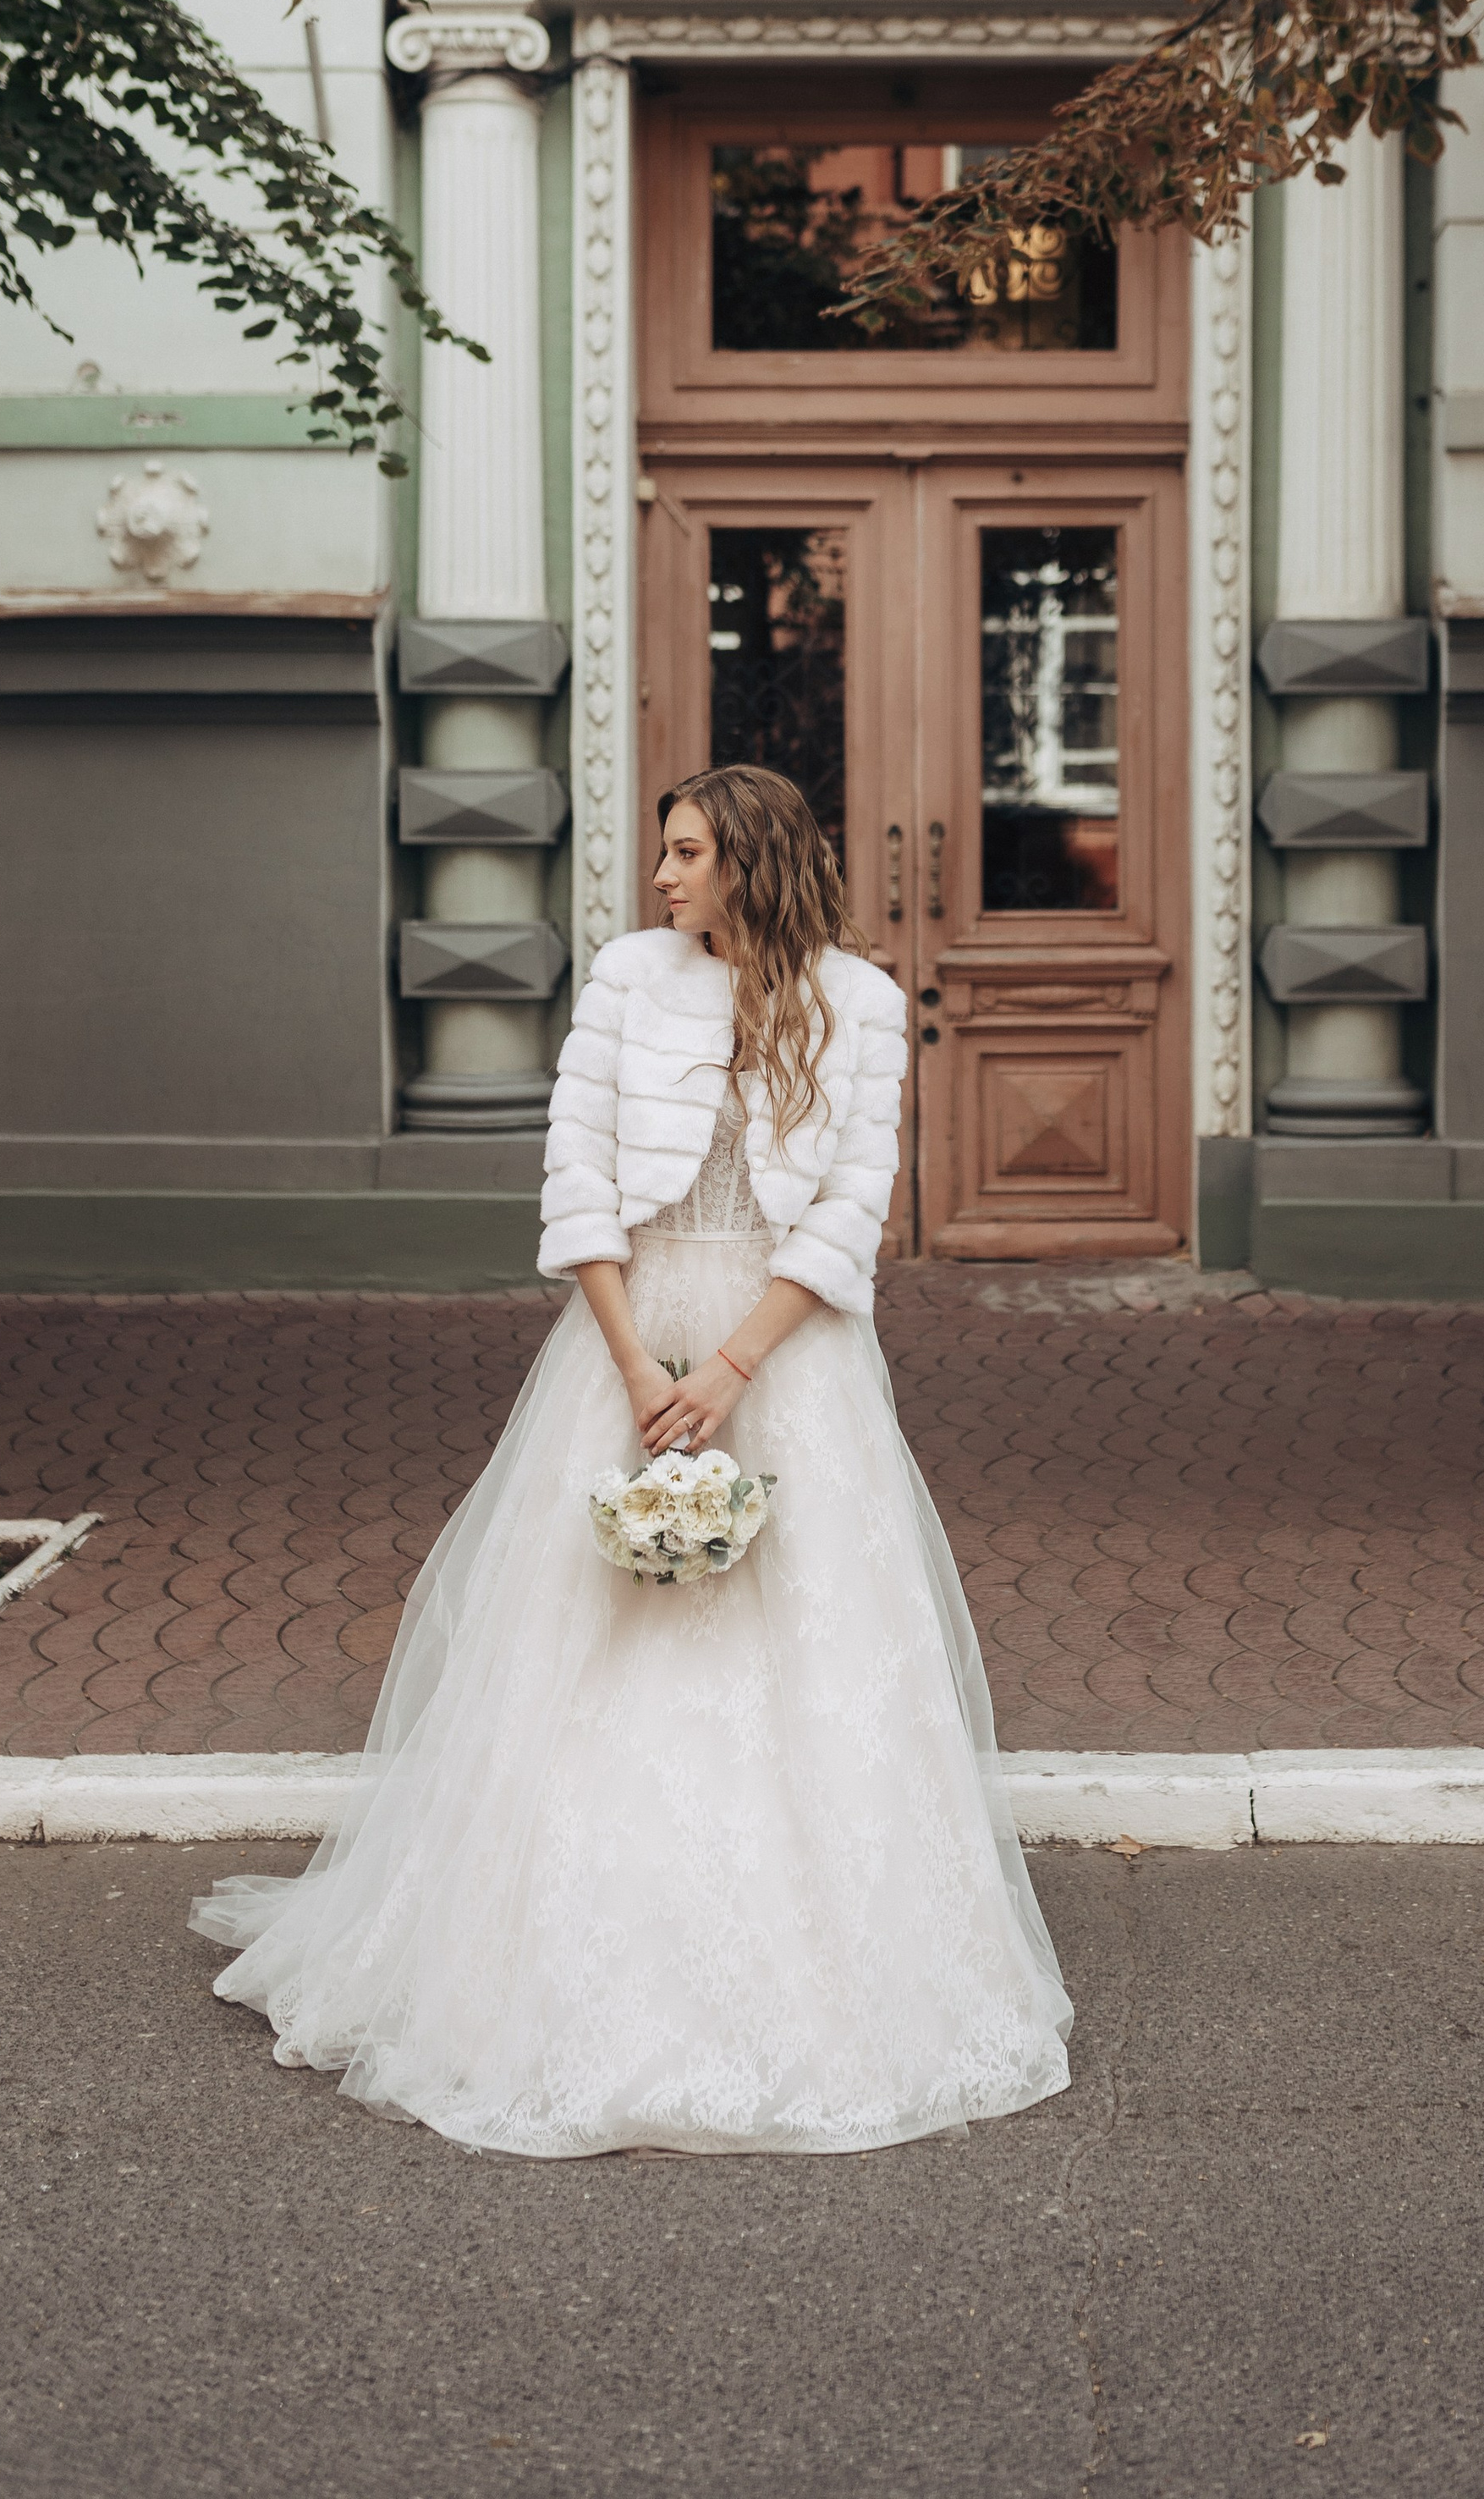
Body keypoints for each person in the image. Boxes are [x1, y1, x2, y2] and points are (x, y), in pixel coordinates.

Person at [190, 762, 1073, 2156]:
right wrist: (640, 1367)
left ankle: (818, 1965)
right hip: (629, 1345)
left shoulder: (858, 1004)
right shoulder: (625, 980)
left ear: (752, 861)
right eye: (664, 852)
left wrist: (730, 1368)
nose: (662, 877)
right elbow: (579, 1183)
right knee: (587, 1642)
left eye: (687, 852)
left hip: (787, 1356)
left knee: (814, 1649)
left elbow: (854, 1209)